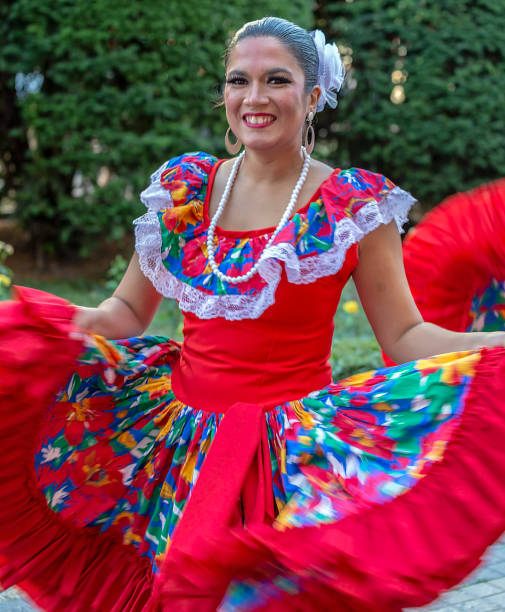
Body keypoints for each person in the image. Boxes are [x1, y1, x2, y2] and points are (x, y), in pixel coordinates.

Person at [1, 16, 505, 612]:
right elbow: (127, 310)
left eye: (277, 80)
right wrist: (57, 329)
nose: (254, 98)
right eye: (239, 81)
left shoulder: (352, 208)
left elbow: (404, 335)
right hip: (176, 450)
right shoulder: (186, 191)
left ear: (313, 96)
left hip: (287, 458)